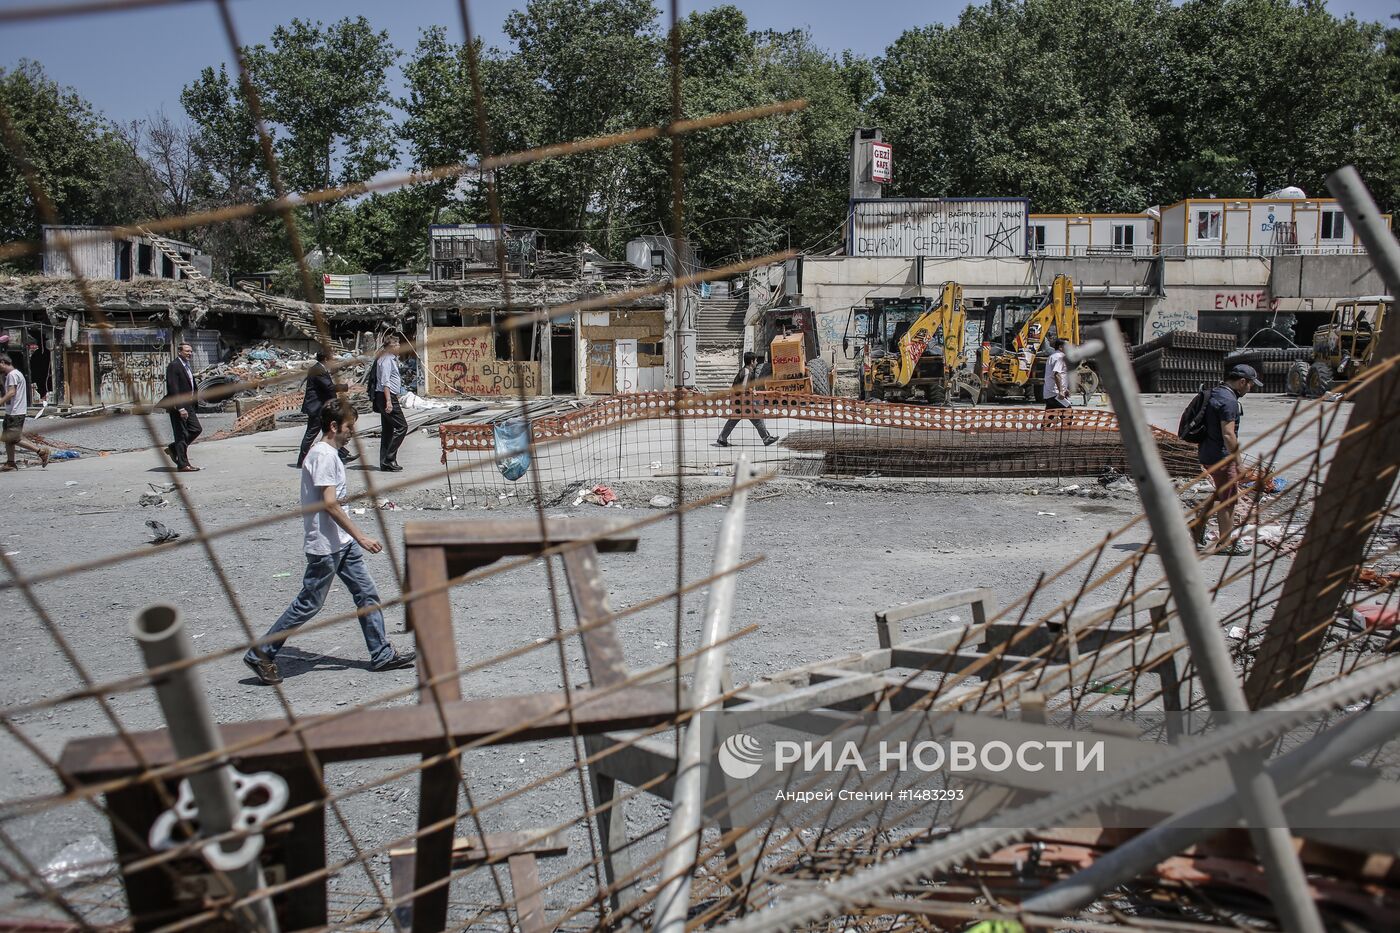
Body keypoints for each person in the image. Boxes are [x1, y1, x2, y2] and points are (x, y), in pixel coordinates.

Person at [244, 399, 416, 685]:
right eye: (349, 427)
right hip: (326, 546)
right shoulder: (323, 456)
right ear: (334, 426)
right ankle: (261, 653)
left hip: (342, 543)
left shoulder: (329, 453)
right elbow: (330, 505)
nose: (352, 433)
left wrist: (351, 538)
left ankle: (381, 653)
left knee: (366, 594)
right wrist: (361, 536)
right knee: (308, 604)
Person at [1196, 364, 1262, 557]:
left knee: (1222, 492)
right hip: (1221, 457)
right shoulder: (1229, 401)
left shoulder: (1215, 393)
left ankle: (1196, 527)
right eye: (1250, 385)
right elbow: (1229, 434)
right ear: (1242, 382)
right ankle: (1226, 543)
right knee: (1229, 500)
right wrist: (1239, 462)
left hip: (1207, 453)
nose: (1250, 389)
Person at [296, 352, 356, 468]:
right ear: (325, 359)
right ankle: (302, 460)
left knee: (330, 430)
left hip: (322, 407)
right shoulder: (317, 370)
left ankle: (342, 453)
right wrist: (346, 386)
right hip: (317, 407)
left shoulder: (320, 368)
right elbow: (328, 387)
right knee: (311, 434)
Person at [715, 352, 779, 448]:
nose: (757, 362)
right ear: (752, 361)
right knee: (757, 418)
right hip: (742, 401)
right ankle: (766, 438)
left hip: (737, 400)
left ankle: (722, 439)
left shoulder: (746, 371)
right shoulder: (747, 372)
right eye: (756, 360)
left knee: (733, 419)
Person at [0, 354, 49, 471]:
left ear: (2, 362)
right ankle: (10, 462)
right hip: (13, 410)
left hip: (16, 412)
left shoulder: (12, 375)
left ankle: (41, 451)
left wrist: (1, 401)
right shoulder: (15, 374)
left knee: (14, 439)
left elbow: (12, 392)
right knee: (8, 438)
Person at [162, 343, 202, 472]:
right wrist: (180, 408)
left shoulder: (186, 366)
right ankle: (183, 464)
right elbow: (173, 388)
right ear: (179, 352)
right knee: (181, 434)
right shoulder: (174, 366)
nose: (189, 353)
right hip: (178, 406)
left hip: (188, 404)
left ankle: (174, 448)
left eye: (190, 351)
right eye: (187, 351)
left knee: (196, 429)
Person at [375, 333, 407, 472]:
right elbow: (385, 382)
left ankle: (385, 463)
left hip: (386, 396)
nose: (399, 347)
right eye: (397, 344)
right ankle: (389, 458)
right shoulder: (387, 360)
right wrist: (389, 401)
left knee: (388, 430)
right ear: (391, 346)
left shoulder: (388, 358)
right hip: (386, 396)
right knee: (402, 427)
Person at [1043, 338, 1071, 410]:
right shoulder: (1061, 357)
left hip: (1049, 393)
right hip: (1056, 394)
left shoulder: (1052, 356)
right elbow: (1057, 374)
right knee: (1068, 415)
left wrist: (1065, 389)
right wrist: (1061, 391)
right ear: (1061, 347)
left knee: (1050, 417)